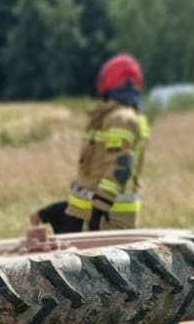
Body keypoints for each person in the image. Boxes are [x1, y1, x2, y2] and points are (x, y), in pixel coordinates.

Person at [36, 55, 151, 234]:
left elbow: (120, 166)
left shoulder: (120, 119)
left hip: (107, 218)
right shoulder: (111, 117)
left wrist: (101, 206)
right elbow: (96, 171)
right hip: (93, 215)